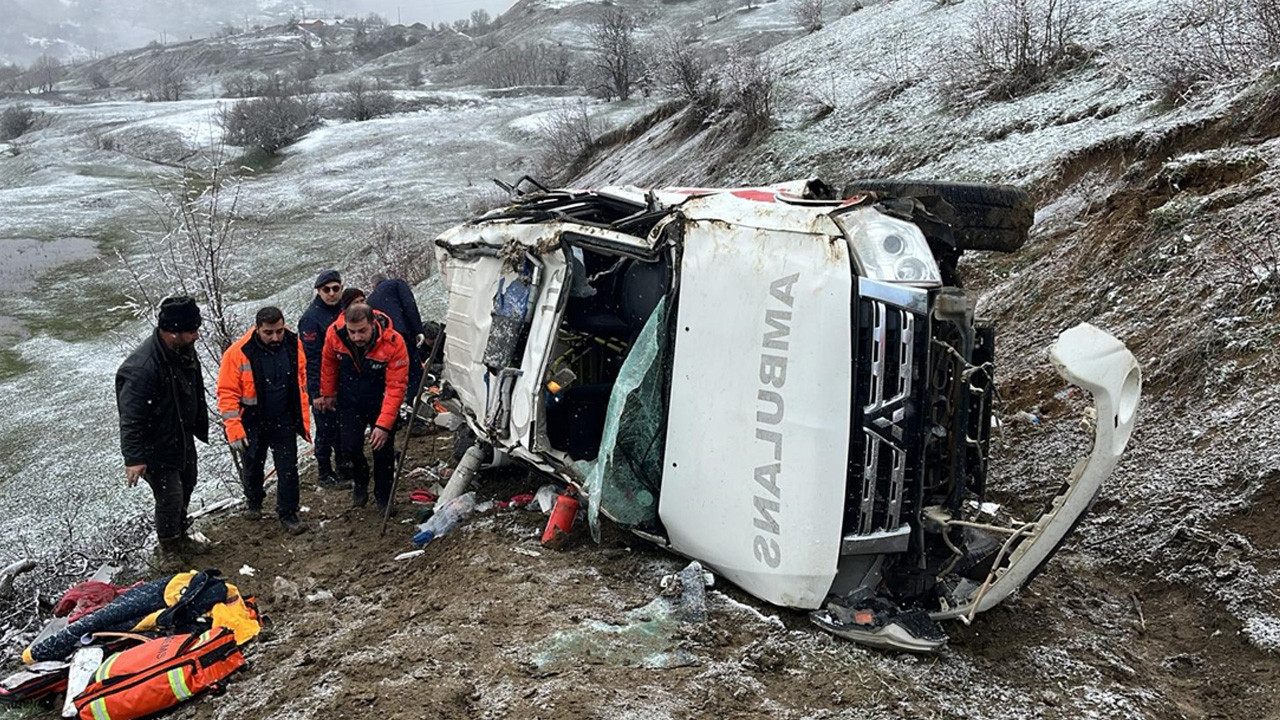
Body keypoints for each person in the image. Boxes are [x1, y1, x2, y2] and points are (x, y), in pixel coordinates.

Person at [115, 296, 209, 557]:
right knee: (170, 498)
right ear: (172, 332)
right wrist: (134, 458)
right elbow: (131, 416)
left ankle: (180, 536)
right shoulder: (142, 367)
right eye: (192, 331)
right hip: (156, 445)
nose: (197, 336)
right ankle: (170, 551)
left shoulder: (182, 350)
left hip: (181, 435)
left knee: (188, 484)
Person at [216, 306, 311, 535]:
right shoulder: (238, 353)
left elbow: (301, 374)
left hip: (284, 417)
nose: (275, 337)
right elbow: (227, 393)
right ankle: (254, 501)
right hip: (253, 420)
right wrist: (234, 429)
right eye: (269, 333)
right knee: (253, 465)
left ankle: (288, 512)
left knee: (288, 468)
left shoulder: (292, 343)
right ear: (257, 328)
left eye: (279, 331)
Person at [316, 303, 409, 513]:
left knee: (382, 450)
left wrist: (384, 425)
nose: (357, 337)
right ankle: (361, 478)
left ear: (373, 324)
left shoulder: (393, 342)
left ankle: (383, 496)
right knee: (349, 446)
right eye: (353, 332)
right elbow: (328, 363)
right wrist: (328, 393)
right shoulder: (335, 334)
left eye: (362, 331)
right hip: (349, 399)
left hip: (380, 400)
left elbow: (396, 387)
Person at [298, 270, 345, 489]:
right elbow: (312, 359)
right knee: (326, 430)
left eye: (336, 288)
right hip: (323, 382)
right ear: (319, 291)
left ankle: (344, 467)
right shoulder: (311, 318)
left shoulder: (344, 309)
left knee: (344, 428)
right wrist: (317, 393)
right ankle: (325, 472)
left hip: (345, 378)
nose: (332, 293)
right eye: (327, 289)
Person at [368, 274, 426, 398]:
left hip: (386, 343)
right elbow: (409, 305)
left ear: (373, 286)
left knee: (397, 375)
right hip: (402, 334)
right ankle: (415, 401)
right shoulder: (396, 284)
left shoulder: (370, 300)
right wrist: (418, 329)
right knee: (414, 371)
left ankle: (402, 403)